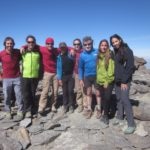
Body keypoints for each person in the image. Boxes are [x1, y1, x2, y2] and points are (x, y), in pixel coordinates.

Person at [21, 37, 59, 114]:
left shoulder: (55, 50)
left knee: (55, 91)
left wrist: (71, 48)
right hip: (46, 73)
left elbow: (65, 47)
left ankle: (53, 106)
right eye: (48, 43)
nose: (50, 45)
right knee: (45, 91)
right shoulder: (42, 49)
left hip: (56, 73)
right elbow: (31, 44)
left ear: (53, 44)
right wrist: (23, 47)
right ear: (45, 44)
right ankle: (41, 107)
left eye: (51, 44)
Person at [110, 34, 136, 134]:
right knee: (119, 99)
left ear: (120, 40)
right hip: (117, 80)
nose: (114, 43)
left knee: (125, 100)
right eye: (113, 42)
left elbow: (130, 67)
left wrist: (124, 81)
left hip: (125, 81)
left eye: (116, 41)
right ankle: (120, 117)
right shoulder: (116, 51)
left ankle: (131, 124)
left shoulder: (127, 50)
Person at [0, 37, 23, 120]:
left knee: (19, 95)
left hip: (17, 77)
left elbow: (24, 54)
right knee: (6, 96)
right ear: (5, 44)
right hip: (6, 79)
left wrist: (23, 47)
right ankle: (7, 111)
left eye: (11, 43)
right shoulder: (1, 53)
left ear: (13, 44)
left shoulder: (17, 52)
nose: (9, 45)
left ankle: (20, 111)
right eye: (8, 43)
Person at [78, 36, 101, 119]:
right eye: (85, 44)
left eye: (89, 44)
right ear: (83, 45)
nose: (87, 46)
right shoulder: (82, 55)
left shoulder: (97, 52)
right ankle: (89, 109)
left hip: (97, 76)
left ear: (92, 43)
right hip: (87, 76)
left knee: (98, 93)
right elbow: (80, 67)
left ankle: (99, 108)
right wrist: (80, 78)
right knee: (88, 92)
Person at [22, 35, 41, 118]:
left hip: (35, 76)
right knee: (26, 94)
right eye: (29, 42)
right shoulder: (23, 52)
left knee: (33, 93)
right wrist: (23, 46)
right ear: (26, 43)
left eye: (32, 42)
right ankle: (27, 110)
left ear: (35, 43)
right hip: (25, 76)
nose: (31, 43)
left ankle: (33, 109)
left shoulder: (38, 52)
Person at [96, 39, 115, 125]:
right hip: (99, 80)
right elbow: (98, 68)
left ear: (107, 47)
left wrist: (107, 81)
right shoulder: (99, 55)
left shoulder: (110, 55)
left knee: (107, 98)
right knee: (103, 98)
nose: (103, 47)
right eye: (102, 45)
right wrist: (97, 79)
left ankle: (106, 116)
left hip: (108, 81)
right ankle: (104, 113)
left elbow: (111, 69)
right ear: (99, 46)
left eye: (105, 45)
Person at [57, 42, 75, 114]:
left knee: (70, 91)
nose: (63, 49)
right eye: (61, 48)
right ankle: (65, 105)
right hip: (63, 76)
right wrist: (59, 78)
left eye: (64, 47)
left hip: (71, 76)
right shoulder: (59, 57)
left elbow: (74, 62)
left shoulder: (70, 54)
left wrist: (71, 49)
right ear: (60, 48)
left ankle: (71, 105)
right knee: (64, 92)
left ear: (66, 47)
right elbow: (58, 69)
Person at [72, 38, 87, 113]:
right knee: (78, 91)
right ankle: (80, 105)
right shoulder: (72, 52)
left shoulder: (84, 52)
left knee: (84, 90)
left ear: (80, 44)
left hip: (85, 74)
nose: (76, 45)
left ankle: (85, 105)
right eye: (75, 44)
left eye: (78, 44)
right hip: (77, 74)